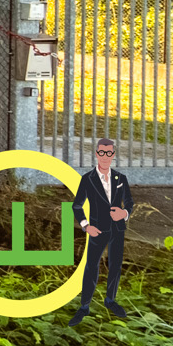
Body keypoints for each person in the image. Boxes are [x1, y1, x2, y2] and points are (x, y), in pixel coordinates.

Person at [70, 138, 133, 325]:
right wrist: (86, 225)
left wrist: (124, 213)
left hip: (117, 228)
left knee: (115, 265)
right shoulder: (87, 179)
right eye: (102, 152)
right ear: (97, 154)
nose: (105, 156)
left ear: (113, 155)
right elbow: (77, 205)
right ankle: (84, 306)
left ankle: (110, 300)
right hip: (97, 229)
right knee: (91, 266)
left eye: (109, 153)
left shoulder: (121, 179)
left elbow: (129, 202)